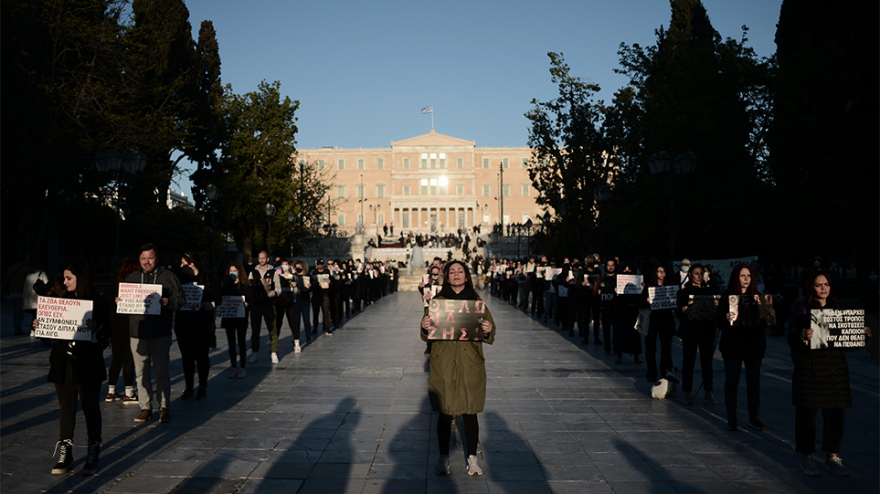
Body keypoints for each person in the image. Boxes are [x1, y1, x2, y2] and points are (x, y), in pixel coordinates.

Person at [788, 270, 871, 477]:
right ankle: (806, 456)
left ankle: (832, 455)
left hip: (835, 370)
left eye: (826, 284)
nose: (823, 288)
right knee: (808, 414)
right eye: (818, 285)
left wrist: (862, 336)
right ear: (811, 287)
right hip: (810, 369)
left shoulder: (838, 309)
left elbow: (847, 345)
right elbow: (792, 340)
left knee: (836, 415)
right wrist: (803, 336)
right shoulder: (802, 310)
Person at [419, 260, 495, 477]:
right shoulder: (437, 302)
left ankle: (472, 457)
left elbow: (489, 330)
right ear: (446, 276)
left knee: (470, 411)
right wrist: (425, 327)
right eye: (452, 271)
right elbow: (426, 332)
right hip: (444, 361)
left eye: (460, 271)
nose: (456, 275)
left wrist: (487, 329)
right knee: (445, 411)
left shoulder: (476, 302)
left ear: (466, 276)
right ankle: (443, 456)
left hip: (469, 361)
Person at [35, 261, 109, 475]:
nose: (65, 282)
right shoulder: (62, 301)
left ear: (81, 279)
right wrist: (41, 326)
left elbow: (107, 334)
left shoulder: (98, 301)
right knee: (66, 408)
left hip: (88, 363)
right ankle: (65, 452)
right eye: (65, 278)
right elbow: (53, 335)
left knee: (90, 407)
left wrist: (97, 329)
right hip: (62, 362)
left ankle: (93, 448)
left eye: (69, 278)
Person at [124, 244, 185, 424]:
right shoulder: (132, 278)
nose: (147, 262)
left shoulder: (168, 277)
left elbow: (181, 300)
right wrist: (120, 301)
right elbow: (122, 302)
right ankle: (145, 407)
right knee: (141, 372)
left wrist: (169, 302)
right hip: (137, 332)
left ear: (156, 258)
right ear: (139, 260)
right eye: (143, 259)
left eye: (150, 258)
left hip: (160, 332)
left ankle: (164, 406)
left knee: (162, 371)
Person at [718, 264, 772, 431]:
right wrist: (726, 318)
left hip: (753, 345)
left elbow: (764, 324)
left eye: (748, 275)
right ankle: (731, 418)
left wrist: (769, 317)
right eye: (742, 275)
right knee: (732, 381)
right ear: (736, 277)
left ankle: (753, 417)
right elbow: (718, 321)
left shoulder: (758, 297)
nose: (746, 279)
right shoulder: (727, 296)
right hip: (732, 345)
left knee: (754, 382)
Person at [175, 252, 221, 400]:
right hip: (184, 324)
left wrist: (209, 304)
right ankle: (189, 387)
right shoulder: (180, 280)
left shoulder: (207, 279)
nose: (181, 266)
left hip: (202, 325)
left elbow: (218, 299)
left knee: (202, 357)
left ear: (191, 264)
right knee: (186, 358)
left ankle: (202, 386)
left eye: (183, 263)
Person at [676, 263, 718, 406]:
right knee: (689, 361)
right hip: (690, 331)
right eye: (696, 273)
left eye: (702, 273)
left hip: (706, 330)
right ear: (690, 275)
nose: (699, 276)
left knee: (707, 362)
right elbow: (677, 311)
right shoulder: (684, 291)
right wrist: (683, 310)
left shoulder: (710, 290)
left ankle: (708, 391)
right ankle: (687, 392)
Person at [104, 258, 140, 404]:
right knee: (129, 360)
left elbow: (105, 301)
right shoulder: (137, 286)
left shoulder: (115, 284)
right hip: (130, 325)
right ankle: (129, 392)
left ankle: (111, 391)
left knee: (117, 359)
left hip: (116, 325)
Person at [641, 264, 675, 382]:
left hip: (666, 320)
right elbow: (641, 303)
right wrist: (646, 301)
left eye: (663, 271)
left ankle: (664, 370)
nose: (661, 274)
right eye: (659, 271)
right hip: (652, 319)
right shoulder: (649, 286)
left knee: (666, 347)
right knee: (650, 346)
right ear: (655, 273)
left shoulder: (670, 287)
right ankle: (651, 372)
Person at [247, 251, 282, 363]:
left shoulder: (273, 272)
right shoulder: (253, 272)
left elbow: (279, 289)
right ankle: (255, 352)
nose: (261, 260)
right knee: (255, 330)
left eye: (263, 258)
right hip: (256, 305)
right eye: (259, 258)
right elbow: (248, 288)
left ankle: (274, 352)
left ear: (267, 259)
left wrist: (274, 293)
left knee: (272, 328)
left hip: (269, 304)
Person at [220, 261, 253, 378]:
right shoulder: (226, 286)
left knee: (241, 342)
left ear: (240, 272)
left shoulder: (245, 286)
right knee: (231, 343)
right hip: (229, 318)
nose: (232, 273)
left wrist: (247, 304)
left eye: (235, 271)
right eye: (230, 271)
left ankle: (242, 367)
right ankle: (233, 367)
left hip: (241, 318)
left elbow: (251, 300)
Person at [22, 263, 50, 336]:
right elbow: (47, 284)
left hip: (29, 299)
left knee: (34, 315)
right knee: (37, 315)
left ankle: (33, 330)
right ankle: (34, 330)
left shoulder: (29, 275)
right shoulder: (42, 274)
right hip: (38, 298)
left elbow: (25, 288)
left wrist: (24, 298)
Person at [291, 260, 312, 350]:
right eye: (297, 267)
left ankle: (308, 336)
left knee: (306, 319)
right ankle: (296, 337)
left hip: (305, 299)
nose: (298, 269)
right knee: (296, 320)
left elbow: (312, 288)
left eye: (300, 267)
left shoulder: (308, 276)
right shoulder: (294, 277)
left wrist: (310, 286)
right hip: (297, 299)